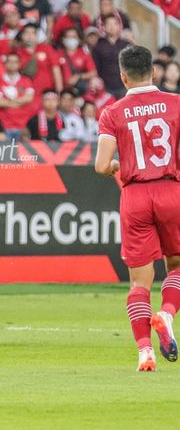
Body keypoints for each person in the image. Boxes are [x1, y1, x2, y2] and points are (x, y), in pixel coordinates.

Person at [94, 44, 180, 372]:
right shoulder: (176, 104)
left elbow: (101, 165)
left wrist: (117, 164)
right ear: (154, 72)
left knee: (139, 284)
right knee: (176, 267)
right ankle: (168, 316)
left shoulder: (112, 112)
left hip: (135, 196)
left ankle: (145, 351)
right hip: (171, 190)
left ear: (123, 76)